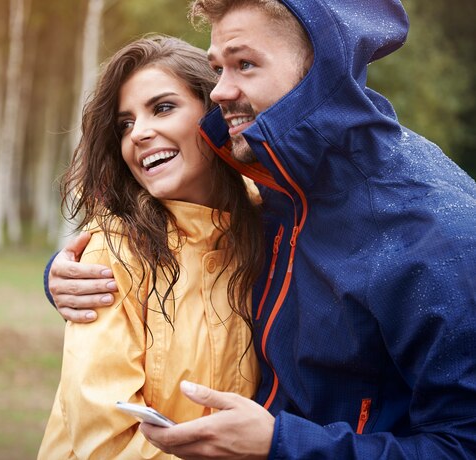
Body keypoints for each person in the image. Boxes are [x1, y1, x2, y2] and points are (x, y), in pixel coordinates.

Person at [45, 0, 476, 458]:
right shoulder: (278, 195)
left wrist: (281, 444)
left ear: (320, 68)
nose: (219, 91)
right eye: (217, 68)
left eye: (244, 64)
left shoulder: (432, 230)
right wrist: (66, 276)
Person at [37, 35, 265, 459]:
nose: (139, 133)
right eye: (125, 124)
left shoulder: (271, 226)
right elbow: (103, 438)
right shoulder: (112, 249)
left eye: (162, 108)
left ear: (215, 113)